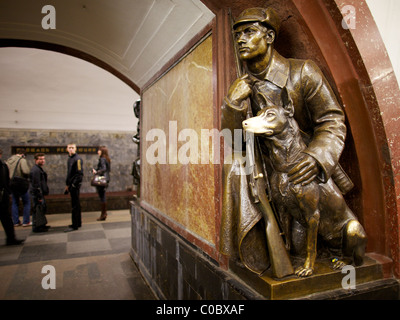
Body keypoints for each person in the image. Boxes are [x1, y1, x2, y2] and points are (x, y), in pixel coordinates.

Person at [220, 7, 353, 274]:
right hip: (267, 174)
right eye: (237, 35)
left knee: (327, 228)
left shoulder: (302, 72)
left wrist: (315, 158)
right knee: (234, 169)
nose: (241, 40)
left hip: (304, 172)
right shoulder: (241, 86)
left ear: (269, 37)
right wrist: (233, 104)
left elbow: (332, 120)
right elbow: (234, 141)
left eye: (249, 32)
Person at [0, 148, 24, 245]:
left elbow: (6, 181)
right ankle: (11, 238)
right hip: (3, 195)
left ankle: (11, 238)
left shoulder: (4, 165)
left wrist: (7, 192)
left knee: (6, 218)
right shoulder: (3, 166)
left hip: (3, 195)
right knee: (6, 218)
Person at [6, 148, 31, 227]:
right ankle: (26, 221)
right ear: (23, 154)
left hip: (12, 184)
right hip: (20, 184)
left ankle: (16, 221)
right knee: (26, 202)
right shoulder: (22, 160)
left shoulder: (8, 161)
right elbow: (26, 171)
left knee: (15, 202)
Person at [64, 144, 83, 232]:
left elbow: (79, 174)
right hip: (71, 185)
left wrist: (73, 185)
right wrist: (67, 184)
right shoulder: (70, 159)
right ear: (67, 149)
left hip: (74, 186)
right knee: (76, 204)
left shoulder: (77, 159)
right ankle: (77, 222)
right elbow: (69, 174)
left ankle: (75, 224)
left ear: (75, 149)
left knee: (75, 205)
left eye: (72, 148)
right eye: (69, 148)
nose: (71, 149)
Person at [30, 153, 50, 233]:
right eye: (40, 159)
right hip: (37, 194)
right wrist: (39, 196)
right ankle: (36, 227)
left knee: (41, 210)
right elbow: (36, 184)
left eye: (43, 159)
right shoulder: (35, 170)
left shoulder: (38, 169)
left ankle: (41, 225)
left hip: (39, 193)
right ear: (36, 160)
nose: (42, 161)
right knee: (37, 210)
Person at [92, 146, 111, 221]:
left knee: (102, 196)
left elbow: (103, 169)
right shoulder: (107, 159)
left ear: (102, 151)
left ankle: (103, 214)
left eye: (99, 150)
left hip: (101, 180)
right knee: (103, 196)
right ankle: (104, 213)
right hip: (106, 179)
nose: (98, 152)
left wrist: (96, 172)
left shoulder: (102, 159)